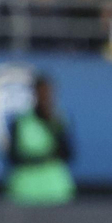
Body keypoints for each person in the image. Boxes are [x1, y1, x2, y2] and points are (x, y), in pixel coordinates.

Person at [5, 74, 75, 206]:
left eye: (47, 92)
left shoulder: (59, 120)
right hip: (25, 190)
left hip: (55, 189)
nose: (44, 97)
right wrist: (44, 157)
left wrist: (52, 124)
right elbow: (13, 157)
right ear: (33, 94)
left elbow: (68, 153)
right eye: (40, 92)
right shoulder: (20, 122)